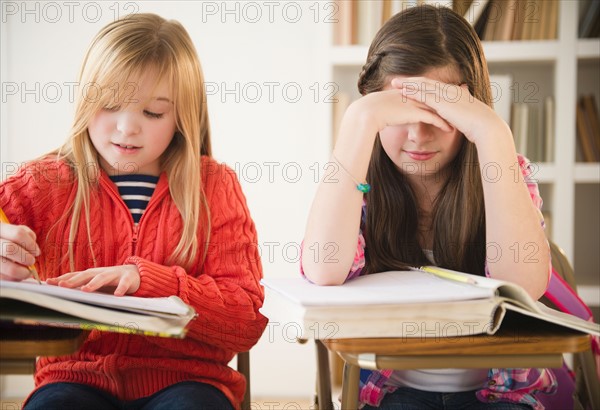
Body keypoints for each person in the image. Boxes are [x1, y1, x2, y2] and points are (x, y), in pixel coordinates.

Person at [0, 13, 267, 410]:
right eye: (109, 105)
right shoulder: (40, 183)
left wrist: (149, 280)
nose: (127, 128)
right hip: (73, 377)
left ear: (181, 117)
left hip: (189, 382)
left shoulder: (214, 186)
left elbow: (245, 321)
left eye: (153, 113)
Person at [302, 5, 555, 410]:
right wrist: (357, 121)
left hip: (498, 393)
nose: (419, 134)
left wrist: (493, 132)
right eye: (399, 111)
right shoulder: (358, 182)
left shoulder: (504, 167)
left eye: (439, 112)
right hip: (394, 391)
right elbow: (323, 268)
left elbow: (522, 285)